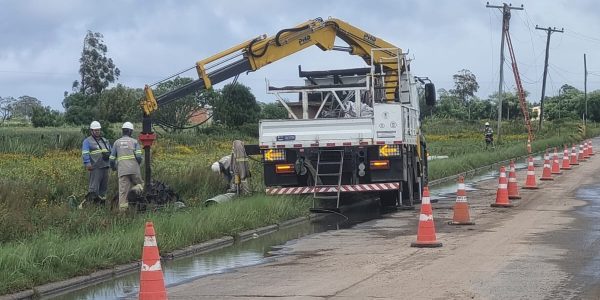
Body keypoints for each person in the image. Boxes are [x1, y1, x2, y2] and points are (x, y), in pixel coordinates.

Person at [109, 122, 143, 211]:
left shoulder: (117, 143)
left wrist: (113, 168)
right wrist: (137, 164)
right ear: (130, 131)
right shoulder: (135, 142)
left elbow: (112, 159)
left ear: (122, 131)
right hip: (134, 170)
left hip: (122, 171)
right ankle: (138, 202)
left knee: (123, 193)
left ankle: (123, 213)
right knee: (140, 185)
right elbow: (139, 157)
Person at [81, 120, 111, 205]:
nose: (97, 132)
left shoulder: (105, 140)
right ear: (91, 131)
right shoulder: (87, 141)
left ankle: (101, 205)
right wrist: (87, 163)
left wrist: (113, 163)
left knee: (104, 188)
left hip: (105, 166)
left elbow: (111, 151)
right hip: (95, 167)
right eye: (95, 130)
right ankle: (88, 205)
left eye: (98, 130)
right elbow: (85, 153)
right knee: (93, 188)